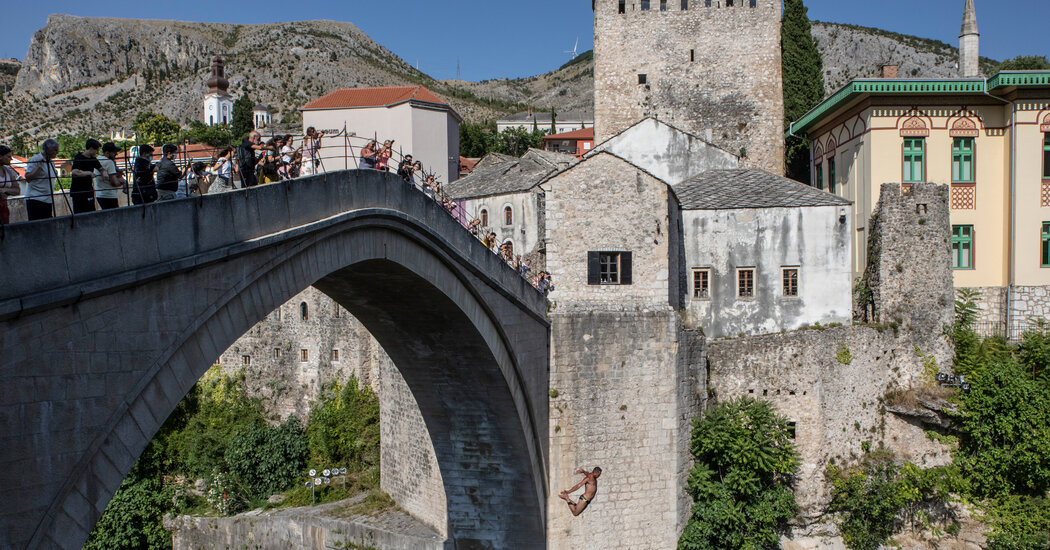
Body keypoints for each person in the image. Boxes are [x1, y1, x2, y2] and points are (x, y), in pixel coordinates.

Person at [23, 138, 61, 220]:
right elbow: (28, 178)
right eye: (55, 150)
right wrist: (38, 167)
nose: (57, 152)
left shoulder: (51, 162)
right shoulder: (35, 159)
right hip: (36, 199)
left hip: (47, 199)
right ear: (48, 149)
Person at [70, 139, 106, 214]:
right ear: (91, 149)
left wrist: (104, 173)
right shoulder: (79, 157)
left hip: (88, 189)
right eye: (97, 150)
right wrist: (89, 173)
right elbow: (74, 172)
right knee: (79, 212)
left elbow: (101, 168)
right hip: (78, 191)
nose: (97, 153)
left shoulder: (93, 159)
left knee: (91, 211)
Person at [93, 142, 125, 210]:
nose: (116, 154)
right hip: (109, 195)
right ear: (107, 153)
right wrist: (123, 182)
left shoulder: (97, 159)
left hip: (99, 194)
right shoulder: (109, 162)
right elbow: (114, 182)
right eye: (114, 152)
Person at [0, 145, 25, 224]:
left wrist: (5, 190)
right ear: (0, 157)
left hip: (4, 208)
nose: (11, 159)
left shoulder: (8, 171)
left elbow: (17, 190)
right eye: (8, 157)